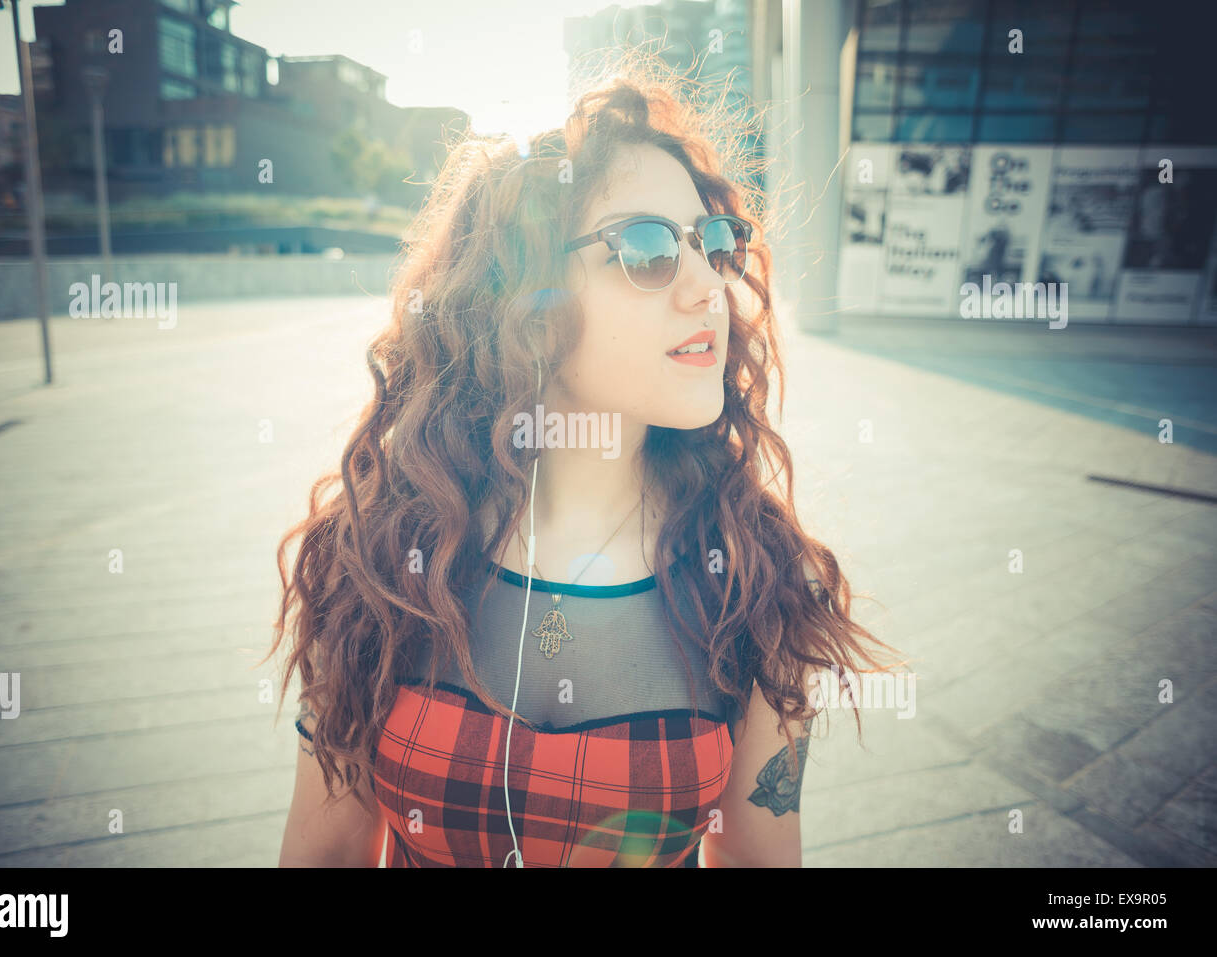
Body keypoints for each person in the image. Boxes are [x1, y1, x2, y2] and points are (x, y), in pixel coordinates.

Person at [270, 56, 904, 868]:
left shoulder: (758, 579)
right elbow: (322, 856)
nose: (708, 284)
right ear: (523, 306)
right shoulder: (381, 555)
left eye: (715, 243)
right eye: (646, 250)